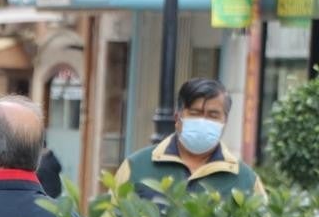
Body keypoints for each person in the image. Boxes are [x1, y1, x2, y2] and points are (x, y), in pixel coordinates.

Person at [114, 77, 266, 198]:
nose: (203, 121)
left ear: (225, 122)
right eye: (195, 113)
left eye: (213, 115)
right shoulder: (136, 167)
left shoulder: (245, 180)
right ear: (177, 117)